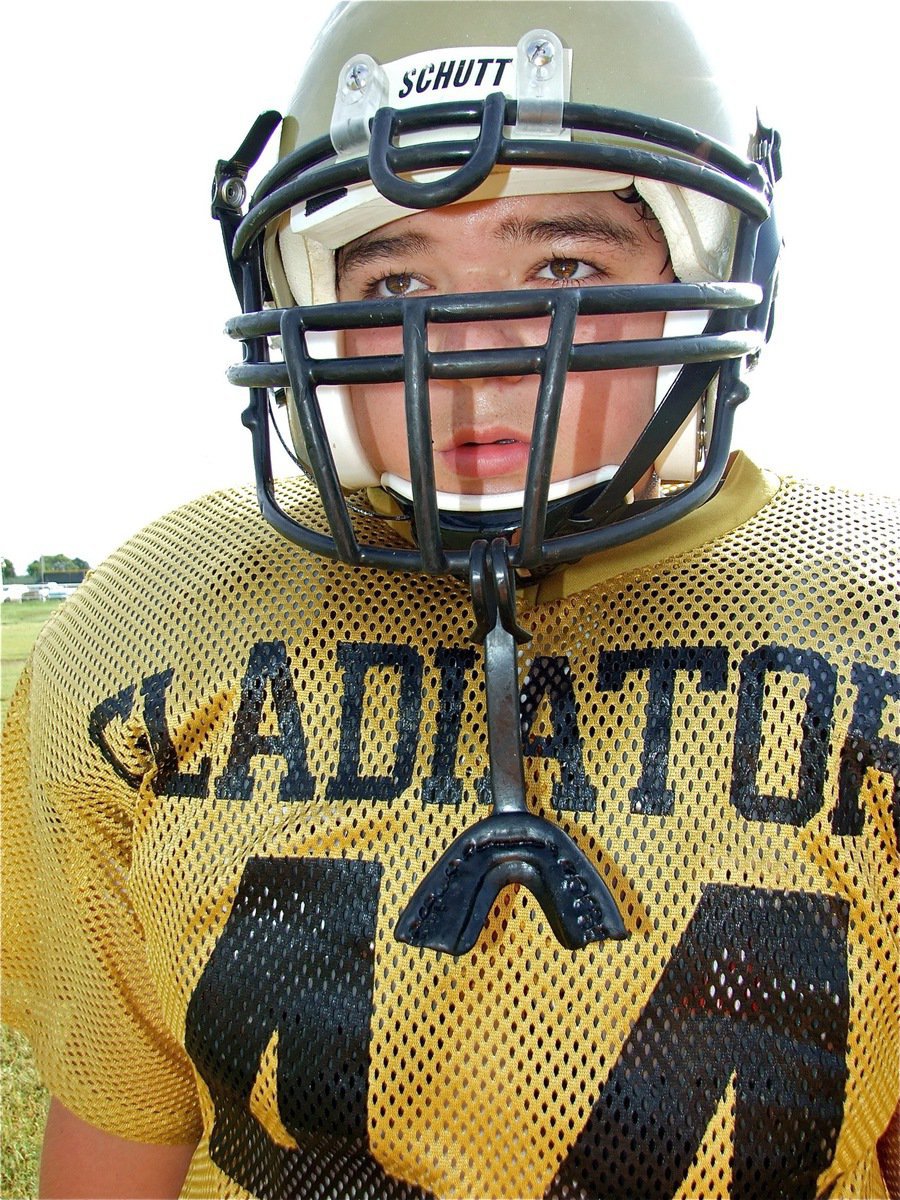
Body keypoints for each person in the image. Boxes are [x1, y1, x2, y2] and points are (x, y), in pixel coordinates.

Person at [2, 2, 897, 1198]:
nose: (470, 349)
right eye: (395, 273)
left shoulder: (873, 614)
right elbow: (119, 1126)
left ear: (704, 273)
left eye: (564, 265)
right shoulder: (142, 630)